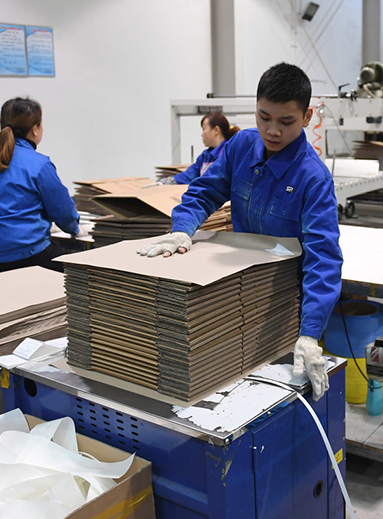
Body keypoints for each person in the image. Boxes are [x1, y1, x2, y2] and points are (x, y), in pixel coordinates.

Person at [137, 63, 343, 402]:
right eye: (264, 117)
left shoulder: (313, 178)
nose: (272, 130)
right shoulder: (241, 146)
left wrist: (309, 333)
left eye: (286, 121)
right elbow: (205, 191)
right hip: (240, 291)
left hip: (286, 299)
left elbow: (323, 258)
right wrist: (182, 230)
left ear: (306, 117)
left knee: (274, 393)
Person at [0, 98, 86, 274]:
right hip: (28, 256)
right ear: (35, 129)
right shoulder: (39, 164)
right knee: (79, 274)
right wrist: (75, 228)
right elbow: (62, 210)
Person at [148, 113, 241, 186]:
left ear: (216, 130)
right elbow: (190, 174)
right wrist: (166, 182)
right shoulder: (205, 156)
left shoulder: (229, 153)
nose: (202, 134)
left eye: (204, 129)